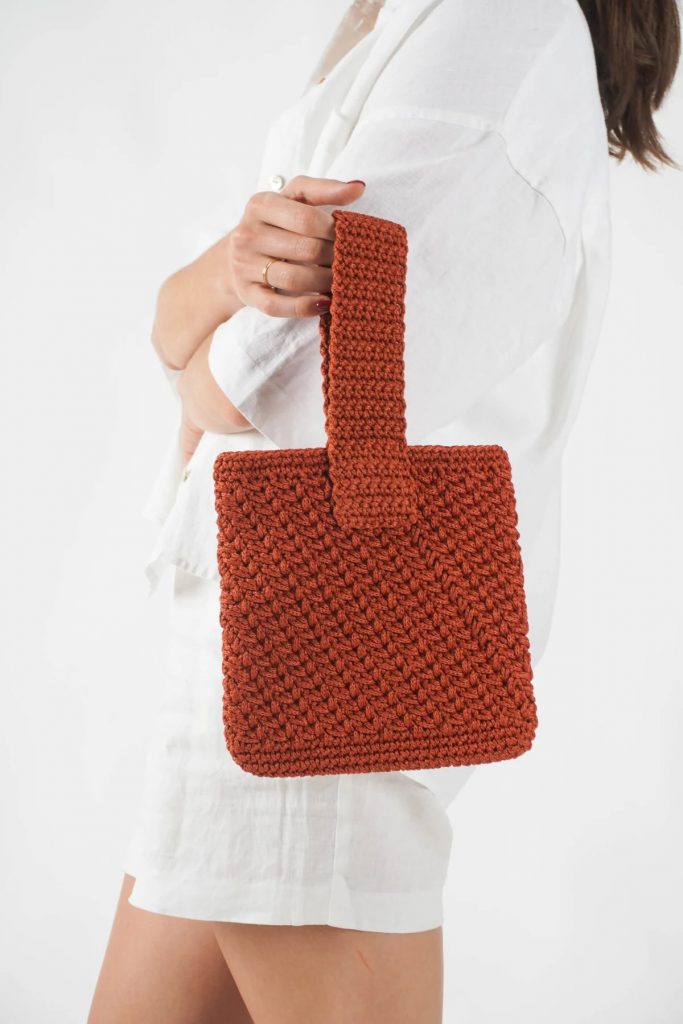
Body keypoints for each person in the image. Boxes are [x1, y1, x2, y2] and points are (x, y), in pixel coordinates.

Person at [88, 0, 680, 1021]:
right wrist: (208, 293)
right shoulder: (417, 14)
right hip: (254, 670)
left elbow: (272, 382)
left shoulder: (497, 24)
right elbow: (201, 327)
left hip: (326, 686)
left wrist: (190, 355)